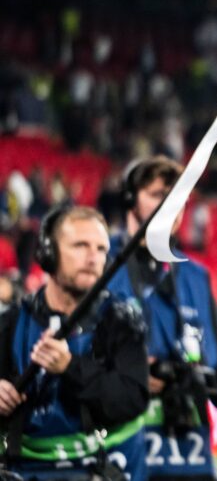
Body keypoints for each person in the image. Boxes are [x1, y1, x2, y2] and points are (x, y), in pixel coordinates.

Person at [107, 156, 217, 480]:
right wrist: (127, 376)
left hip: (188, 448)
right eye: (159, 194)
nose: (171, 206)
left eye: (179, 198)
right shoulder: (99, 264)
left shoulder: (195, 276)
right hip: (120, 447)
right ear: (131, 199)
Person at [0, 206, 148, 480]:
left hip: (97, 468)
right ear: (48, 253)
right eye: (80, 245)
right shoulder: (9, 323)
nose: (94, 258)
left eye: (101, 249)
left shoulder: (122, 321)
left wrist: (69, 367)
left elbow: (131, 401)